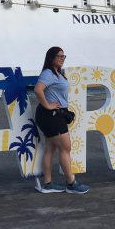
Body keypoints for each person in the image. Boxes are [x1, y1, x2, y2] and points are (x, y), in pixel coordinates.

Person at [33, 46, 89, 194]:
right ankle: (71, 183)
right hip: (51, 116)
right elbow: (37, 89)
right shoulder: (48, 73)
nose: (62, 59)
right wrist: (47, 105)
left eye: (64, 56)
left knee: (50, 148)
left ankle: (48, 184)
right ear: (51, 58)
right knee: (66, 147)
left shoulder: (57, 73)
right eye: (59, 56)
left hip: (54, 115)